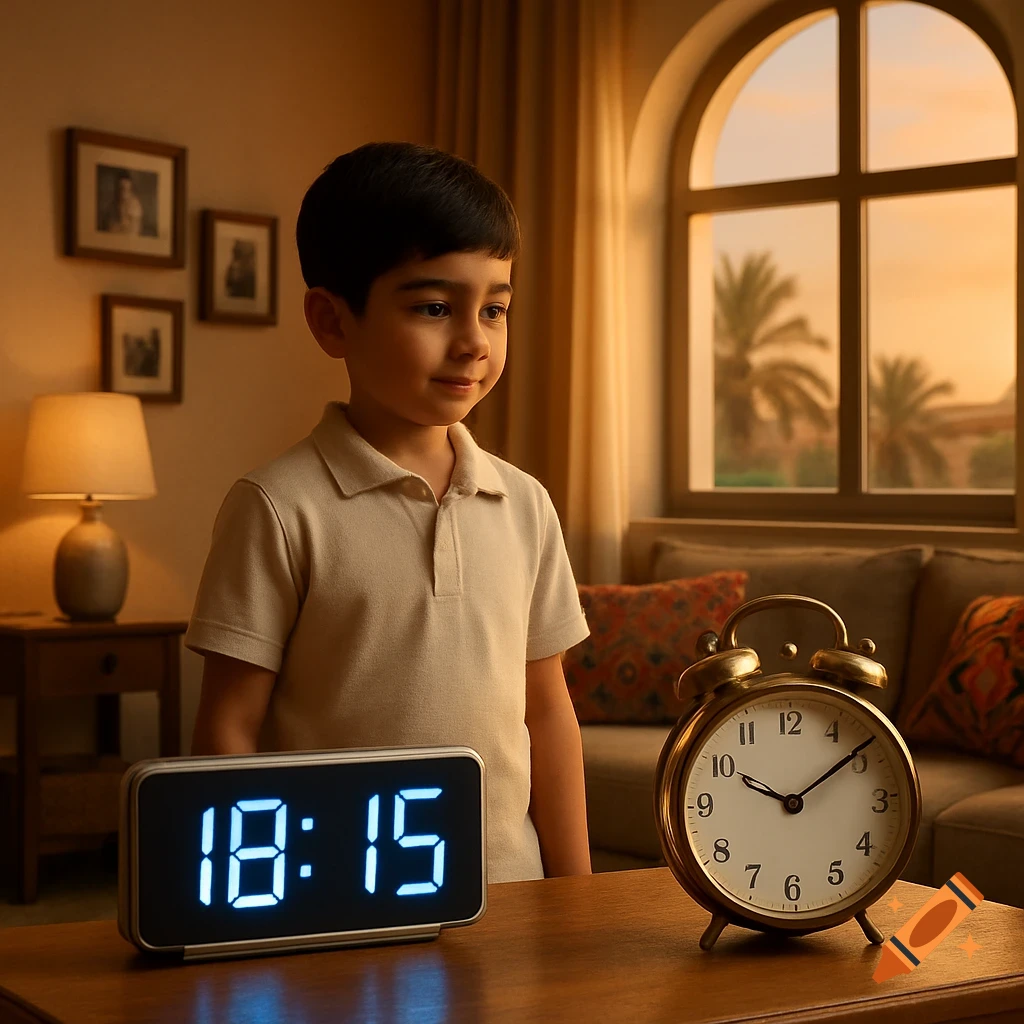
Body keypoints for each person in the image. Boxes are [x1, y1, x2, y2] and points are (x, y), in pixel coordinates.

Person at [186, 141, 593, 884]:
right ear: (333, 322)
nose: (474, 341)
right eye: (435, 307)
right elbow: (228, 730)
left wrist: (577, 900)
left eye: (495, 308)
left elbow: (548, 717)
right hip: (328, 904)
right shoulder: (277, 509)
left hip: (512, 898)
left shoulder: (525, 504)